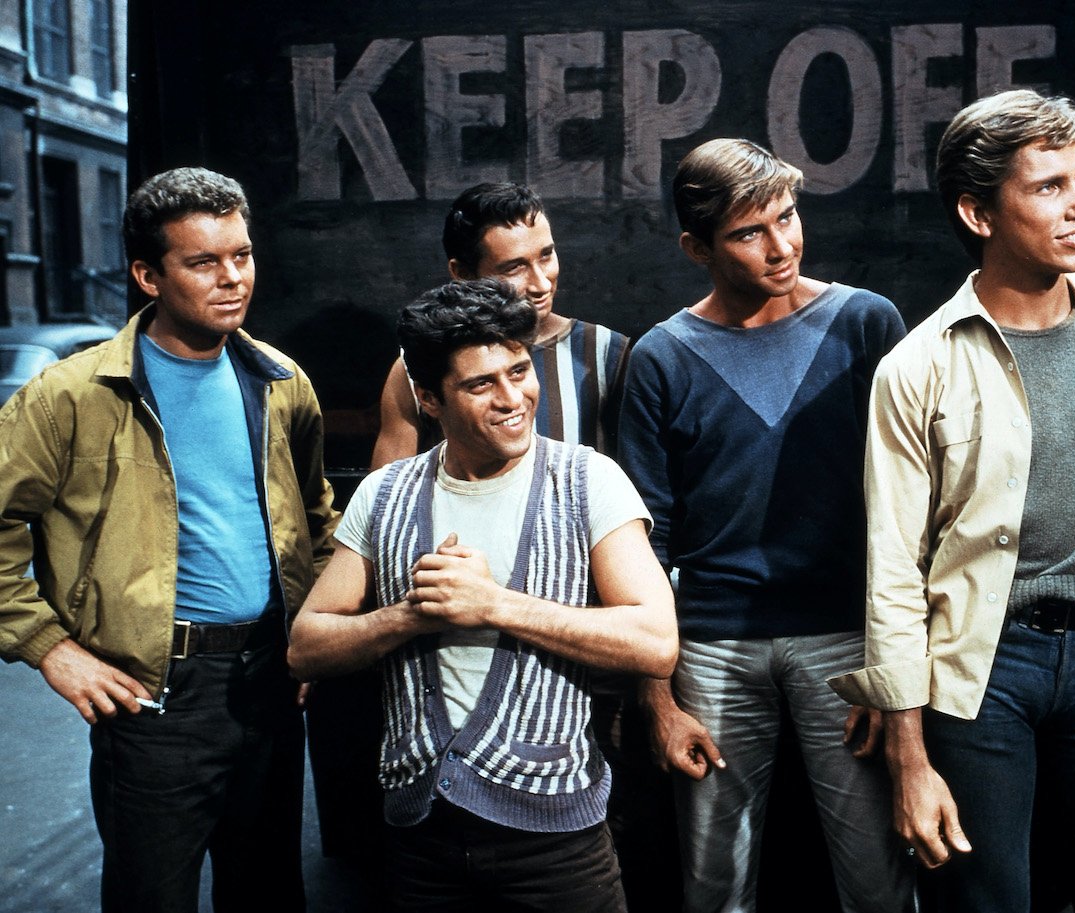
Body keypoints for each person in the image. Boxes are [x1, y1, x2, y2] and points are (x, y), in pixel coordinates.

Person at [830, 88, 1075, 913]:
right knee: (984, 898)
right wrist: (909, 757)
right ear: (978, 210)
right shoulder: (919, 365)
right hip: (983, 669)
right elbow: (894, 570)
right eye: (1049, 186)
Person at [0, 167, 338, 912]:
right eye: (204, 261)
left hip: (269, 681)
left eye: (241, 255)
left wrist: (318, 627)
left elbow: (315, 518)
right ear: (148, 275)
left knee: (270, 891)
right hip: (154, 698)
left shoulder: (281, 381)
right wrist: (48, 646)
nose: (232, 279)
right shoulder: (73, 395)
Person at [288, 278, 677, 912]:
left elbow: (656, 642)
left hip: (557, 840)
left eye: (519, 371)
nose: (512, 398)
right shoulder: (384, 496)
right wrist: (409, 615)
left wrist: (494, 604)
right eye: (479, 384)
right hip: (420, 836)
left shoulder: (588, 482)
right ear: (428, 399)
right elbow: (306, 647)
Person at [618, 138, 913, 913]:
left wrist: (896, 671)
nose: (781, 245)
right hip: (711, 643)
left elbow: (914, 504)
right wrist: (657, 697)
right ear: (697, 247)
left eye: (788, 217)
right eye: (751, 232)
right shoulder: (661, 356)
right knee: (715, 884)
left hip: (847, 641)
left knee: (878, 877)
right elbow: (644, 539)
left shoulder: (865, 322)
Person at [371, 181, 630, 465]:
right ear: (463, 273)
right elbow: (386, 493)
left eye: (546, 255)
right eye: (514, 267)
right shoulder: (419, 363)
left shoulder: (606, 353)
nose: (541, 283)